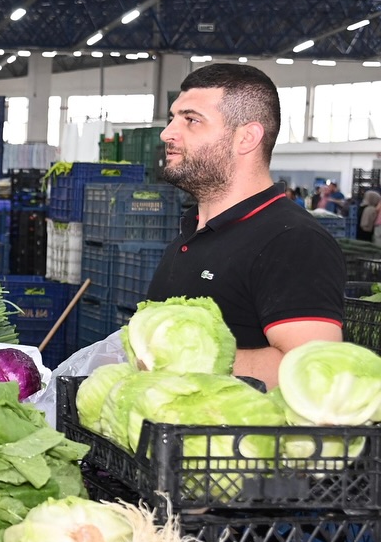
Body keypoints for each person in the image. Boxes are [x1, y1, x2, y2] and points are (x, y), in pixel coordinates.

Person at [147, 63, 344, 389]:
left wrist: (179, 359)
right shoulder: (192, 232)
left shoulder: (293, 241)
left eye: (191, 120)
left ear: (247, 138)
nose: (167, 133)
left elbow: (315, 370)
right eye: (172, 117)